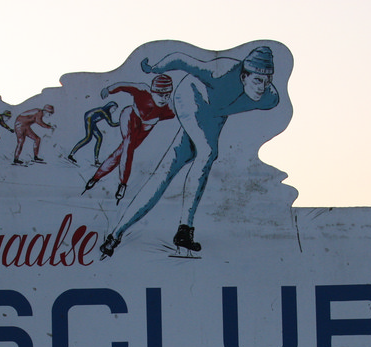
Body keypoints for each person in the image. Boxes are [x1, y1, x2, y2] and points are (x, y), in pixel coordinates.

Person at [99, 46, 279, 258]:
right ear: (243, 76)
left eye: (267, 81)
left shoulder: (270, 98)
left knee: (165, 172)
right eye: (257, 80)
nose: (262, 88)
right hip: (191, 97)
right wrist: (154, 68)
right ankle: (185, 230)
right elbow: (181, 59)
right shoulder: (220, 72)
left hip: (213, 117)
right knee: (207, 152)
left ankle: (115, 235)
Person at [84, 75, 175, 203]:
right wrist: (109, 89)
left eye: (167, 95)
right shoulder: (142, 90)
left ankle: (96, 177)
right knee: (128, 146)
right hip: (130, 117)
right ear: (153, 91)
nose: (164, 99)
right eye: (160, 94)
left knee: (120, 152)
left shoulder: (170, 109)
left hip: (145, 127)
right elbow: (123, 85)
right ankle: (122, 183)